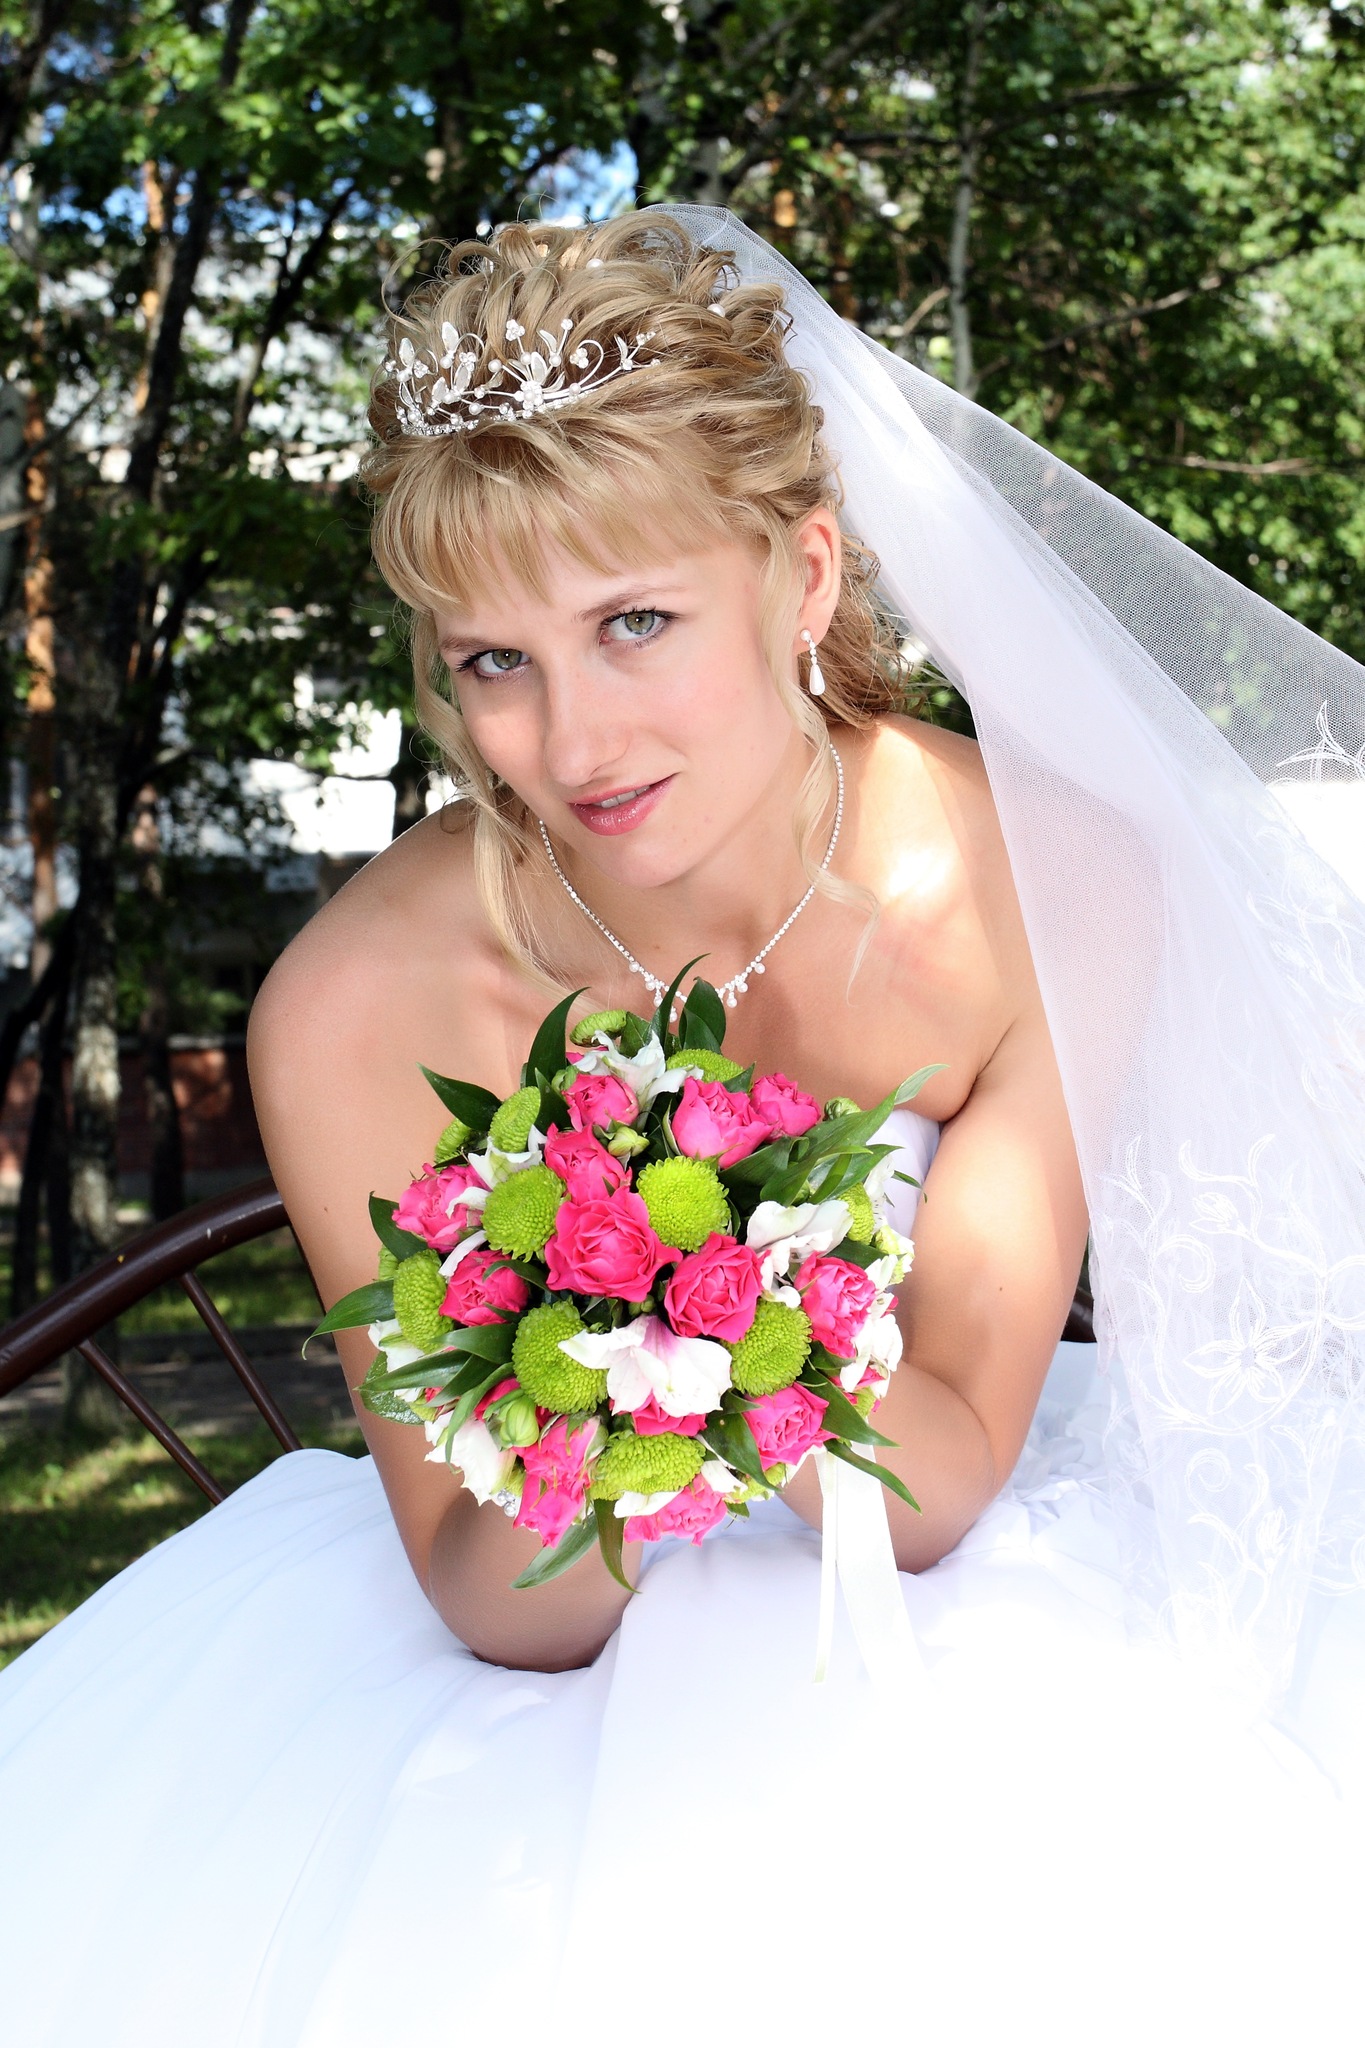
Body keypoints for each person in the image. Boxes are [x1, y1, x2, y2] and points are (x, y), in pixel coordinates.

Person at [0, 208, 1363, 2047]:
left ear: (802, 576)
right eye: (492, 661)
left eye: (633, 624)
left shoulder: (1050, 885)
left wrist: (736, 1319)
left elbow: (949, 1467)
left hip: (931, 1576)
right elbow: (494, 1600)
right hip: (538, 1673)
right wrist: (620, 1373)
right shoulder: (351, 1011)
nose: (571, 746)